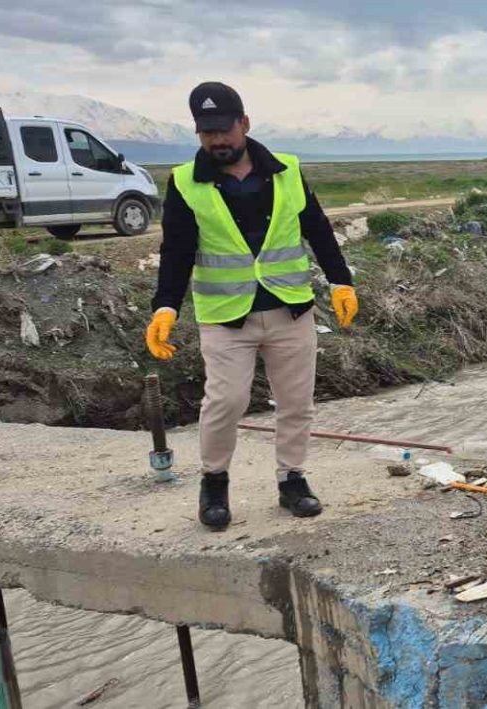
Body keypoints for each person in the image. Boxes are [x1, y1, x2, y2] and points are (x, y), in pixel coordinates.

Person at [144, 82, 359, 531]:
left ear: (244, 123)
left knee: (296, 402)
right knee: (226, 401)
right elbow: (177, 250)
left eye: (224, 129)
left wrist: (341, 281)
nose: (217, 140)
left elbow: (318, 229)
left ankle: (292, 480)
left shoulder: (286, 170)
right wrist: (165, 307)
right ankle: (214, 482)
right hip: (225, 316)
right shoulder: (185, 181)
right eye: (207, 132)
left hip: (290, 308)